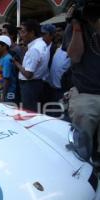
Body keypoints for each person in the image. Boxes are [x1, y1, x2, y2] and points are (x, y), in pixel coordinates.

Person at [64, 2, 100, 167]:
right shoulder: (75, 27)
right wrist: (77, 25)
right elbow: (75, 56)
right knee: (81, 146)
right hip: (86, 93)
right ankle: (82, 172)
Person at [13, 20, 49, 112]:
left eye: (23, 32)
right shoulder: (41, 44)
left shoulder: (35, 48)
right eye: (20, 32)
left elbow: (28, 74)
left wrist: (16, 63)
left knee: (29, 113)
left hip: (30, 86)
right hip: (36, 84)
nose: (21, 35)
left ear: (32, 32)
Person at [0, 35, 17, 103]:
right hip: (0, 92)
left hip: (7, 94)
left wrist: (3, 96)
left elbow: (6, 79)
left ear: (4, 46)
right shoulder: (1, 58)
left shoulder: (7, 59)